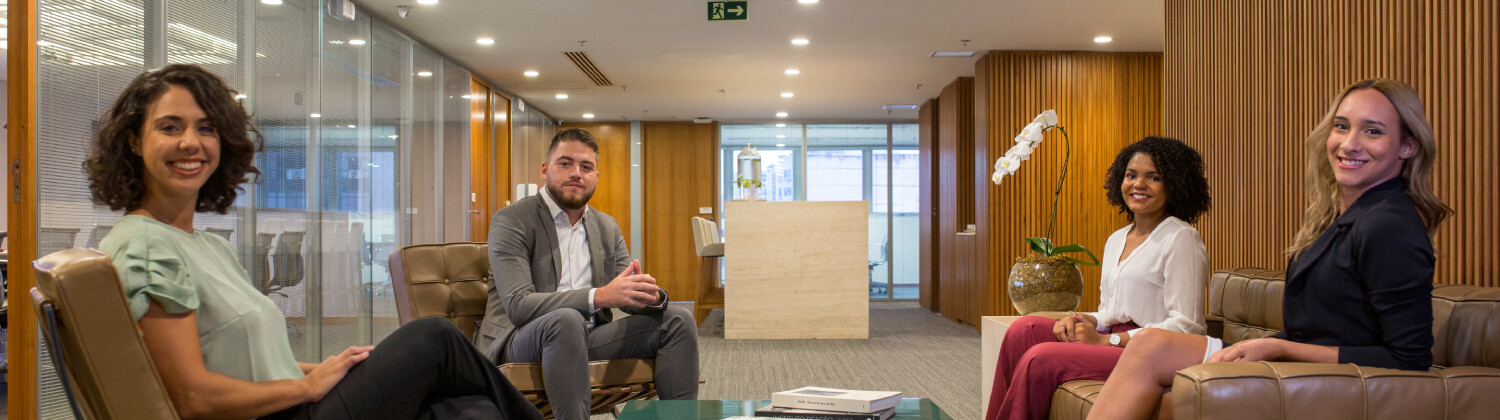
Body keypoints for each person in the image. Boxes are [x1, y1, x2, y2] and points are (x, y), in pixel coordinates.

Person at [84, 64, 542, 420]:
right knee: (435, 337)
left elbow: (250, 361)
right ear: (133, 141)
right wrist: (307, 387)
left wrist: (330, 368)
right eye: (170, 127)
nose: (191, 142)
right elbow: (190, 398)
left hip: (287, 404)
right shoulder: (146, 246)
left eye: (205, 128)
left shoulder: (206, 245)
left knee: (465, 411)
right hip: (273, 415)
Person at [1086, 78, 1452, 420]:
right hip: (1296, 365)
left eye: (1372, 131)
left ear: (1408, 145)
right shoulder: (1340, 218)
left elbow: (1409, 359)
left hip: (1336, 380)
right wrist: (1270, 345)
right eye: (1342, 126)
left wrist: (1281, 349)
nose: (1350, 143)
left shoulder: (1391, 224)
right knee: (1151, 346)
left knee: (1158, 368)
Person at [476, 127, 700, 420]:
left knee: (677, 319)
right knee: (566, 319)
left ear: (596, 176)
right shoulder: (512, 220)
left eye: (586, 166)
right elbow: (519, 306)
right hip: (520, 339)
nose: (576, 173)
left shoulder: (606, 226)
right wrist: (599, 296)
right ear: (545, 169)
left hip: (585, 338)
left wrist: (648, 295)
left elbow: (624, 294)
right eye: (565, 163)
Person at [983, 137, 1212, 420]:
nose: (1138, 184)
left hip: (1153, 352)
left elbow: (1185, 326)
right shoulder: (1117, 239)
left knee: (1040, 359)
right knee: (1023, 330)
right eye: (1131, 175)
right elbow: (1110, 312)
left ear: (1175, 184)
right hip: (1116, 336)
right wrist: (1087, 320)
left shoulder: (1181, 239)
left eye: (1153, 177)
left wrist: (1111, 341)